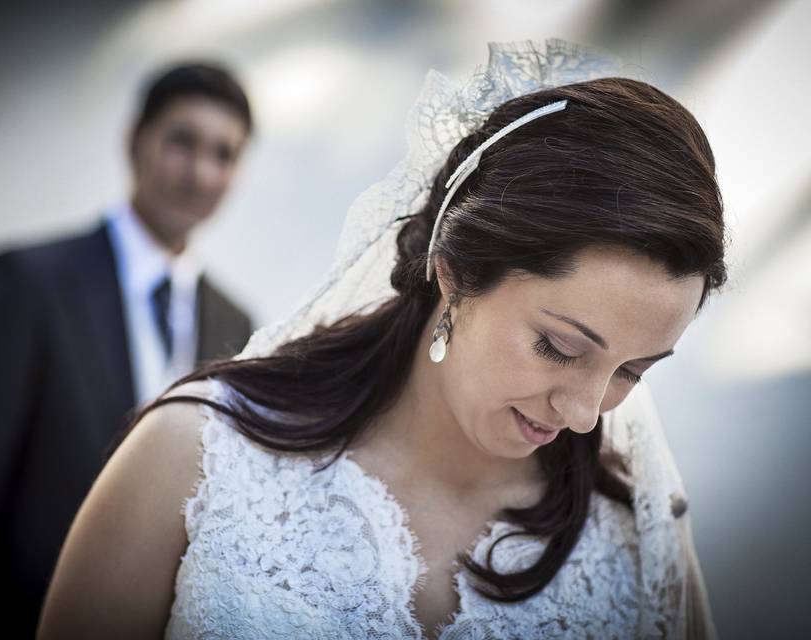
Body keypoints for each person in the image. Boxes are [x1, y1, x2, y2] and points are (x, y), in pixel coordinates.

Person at [39, 39, 722, 639]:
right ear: (455, 275)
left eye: (634, 369)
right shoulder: (192, 457)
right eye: (561, 348)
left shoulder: (637, 545)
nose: (584, 413)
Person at [0, 62, 254, 636]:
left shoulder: (236, 325)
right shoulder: (27, 282)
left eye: (223, 155)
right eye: (181, 142)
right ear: (135, 140)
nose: (198, 173)